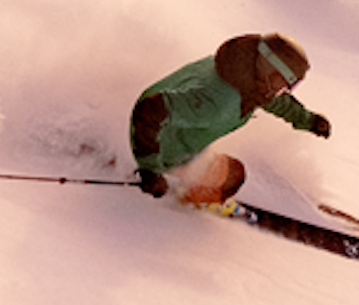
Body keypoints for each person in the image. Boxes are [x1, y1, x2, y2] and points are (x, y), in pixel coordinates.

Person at [129, 33, 329, 207]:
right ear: (268, 70)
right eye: (281, 83)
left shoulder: (237, 69)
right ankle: (188, 200)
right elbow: (149, 111)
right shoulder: (219, 101)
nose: (280, 91)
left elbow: (275, 102)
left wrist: (308, 120)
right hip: (159, 148)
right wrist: (150, 170)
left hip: (159, 133)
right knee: (233, 176)